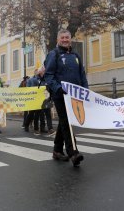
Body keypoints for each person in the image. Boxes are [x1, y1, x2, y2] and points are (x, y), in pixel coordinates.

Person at [44, 29, 88, 167]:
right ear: (58, 39)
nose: (65, 39)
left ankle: (57, 150)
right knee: (66, 121)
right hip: (60, 95)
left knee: (66, 122)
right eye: (62, 37)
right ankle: (73, 152)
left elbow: (82, 74)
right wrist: (58, 88)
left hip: (75, 96)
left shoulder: (76, 55)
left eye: (67, 37)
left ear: (70, 39)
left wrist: (86, 91)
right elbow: (49, 76)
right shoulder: (54, 54)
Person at [25, 69, 47, 135]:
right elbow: (27, 89)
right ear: (40, 73)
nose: (44, 73)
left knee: (38, 114)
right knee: (31, 114)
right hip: (33, 99)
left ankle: (37, 129)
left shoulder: (44, 79)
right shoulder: (32, 80)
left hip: (40, 99)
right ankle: (26, 125)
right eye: (43, 72)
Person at [37, 66, 55, 135]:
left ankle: (50, 129)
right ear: (40, 72)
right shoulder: (36, 79)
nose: (45, 72)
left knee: (48, 114)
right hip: (39, 100)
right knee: (41, 115)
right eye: (44, 71)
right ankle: (42, 128)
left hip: (47, 99)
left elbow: (50, 88)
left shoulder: (47, 79)